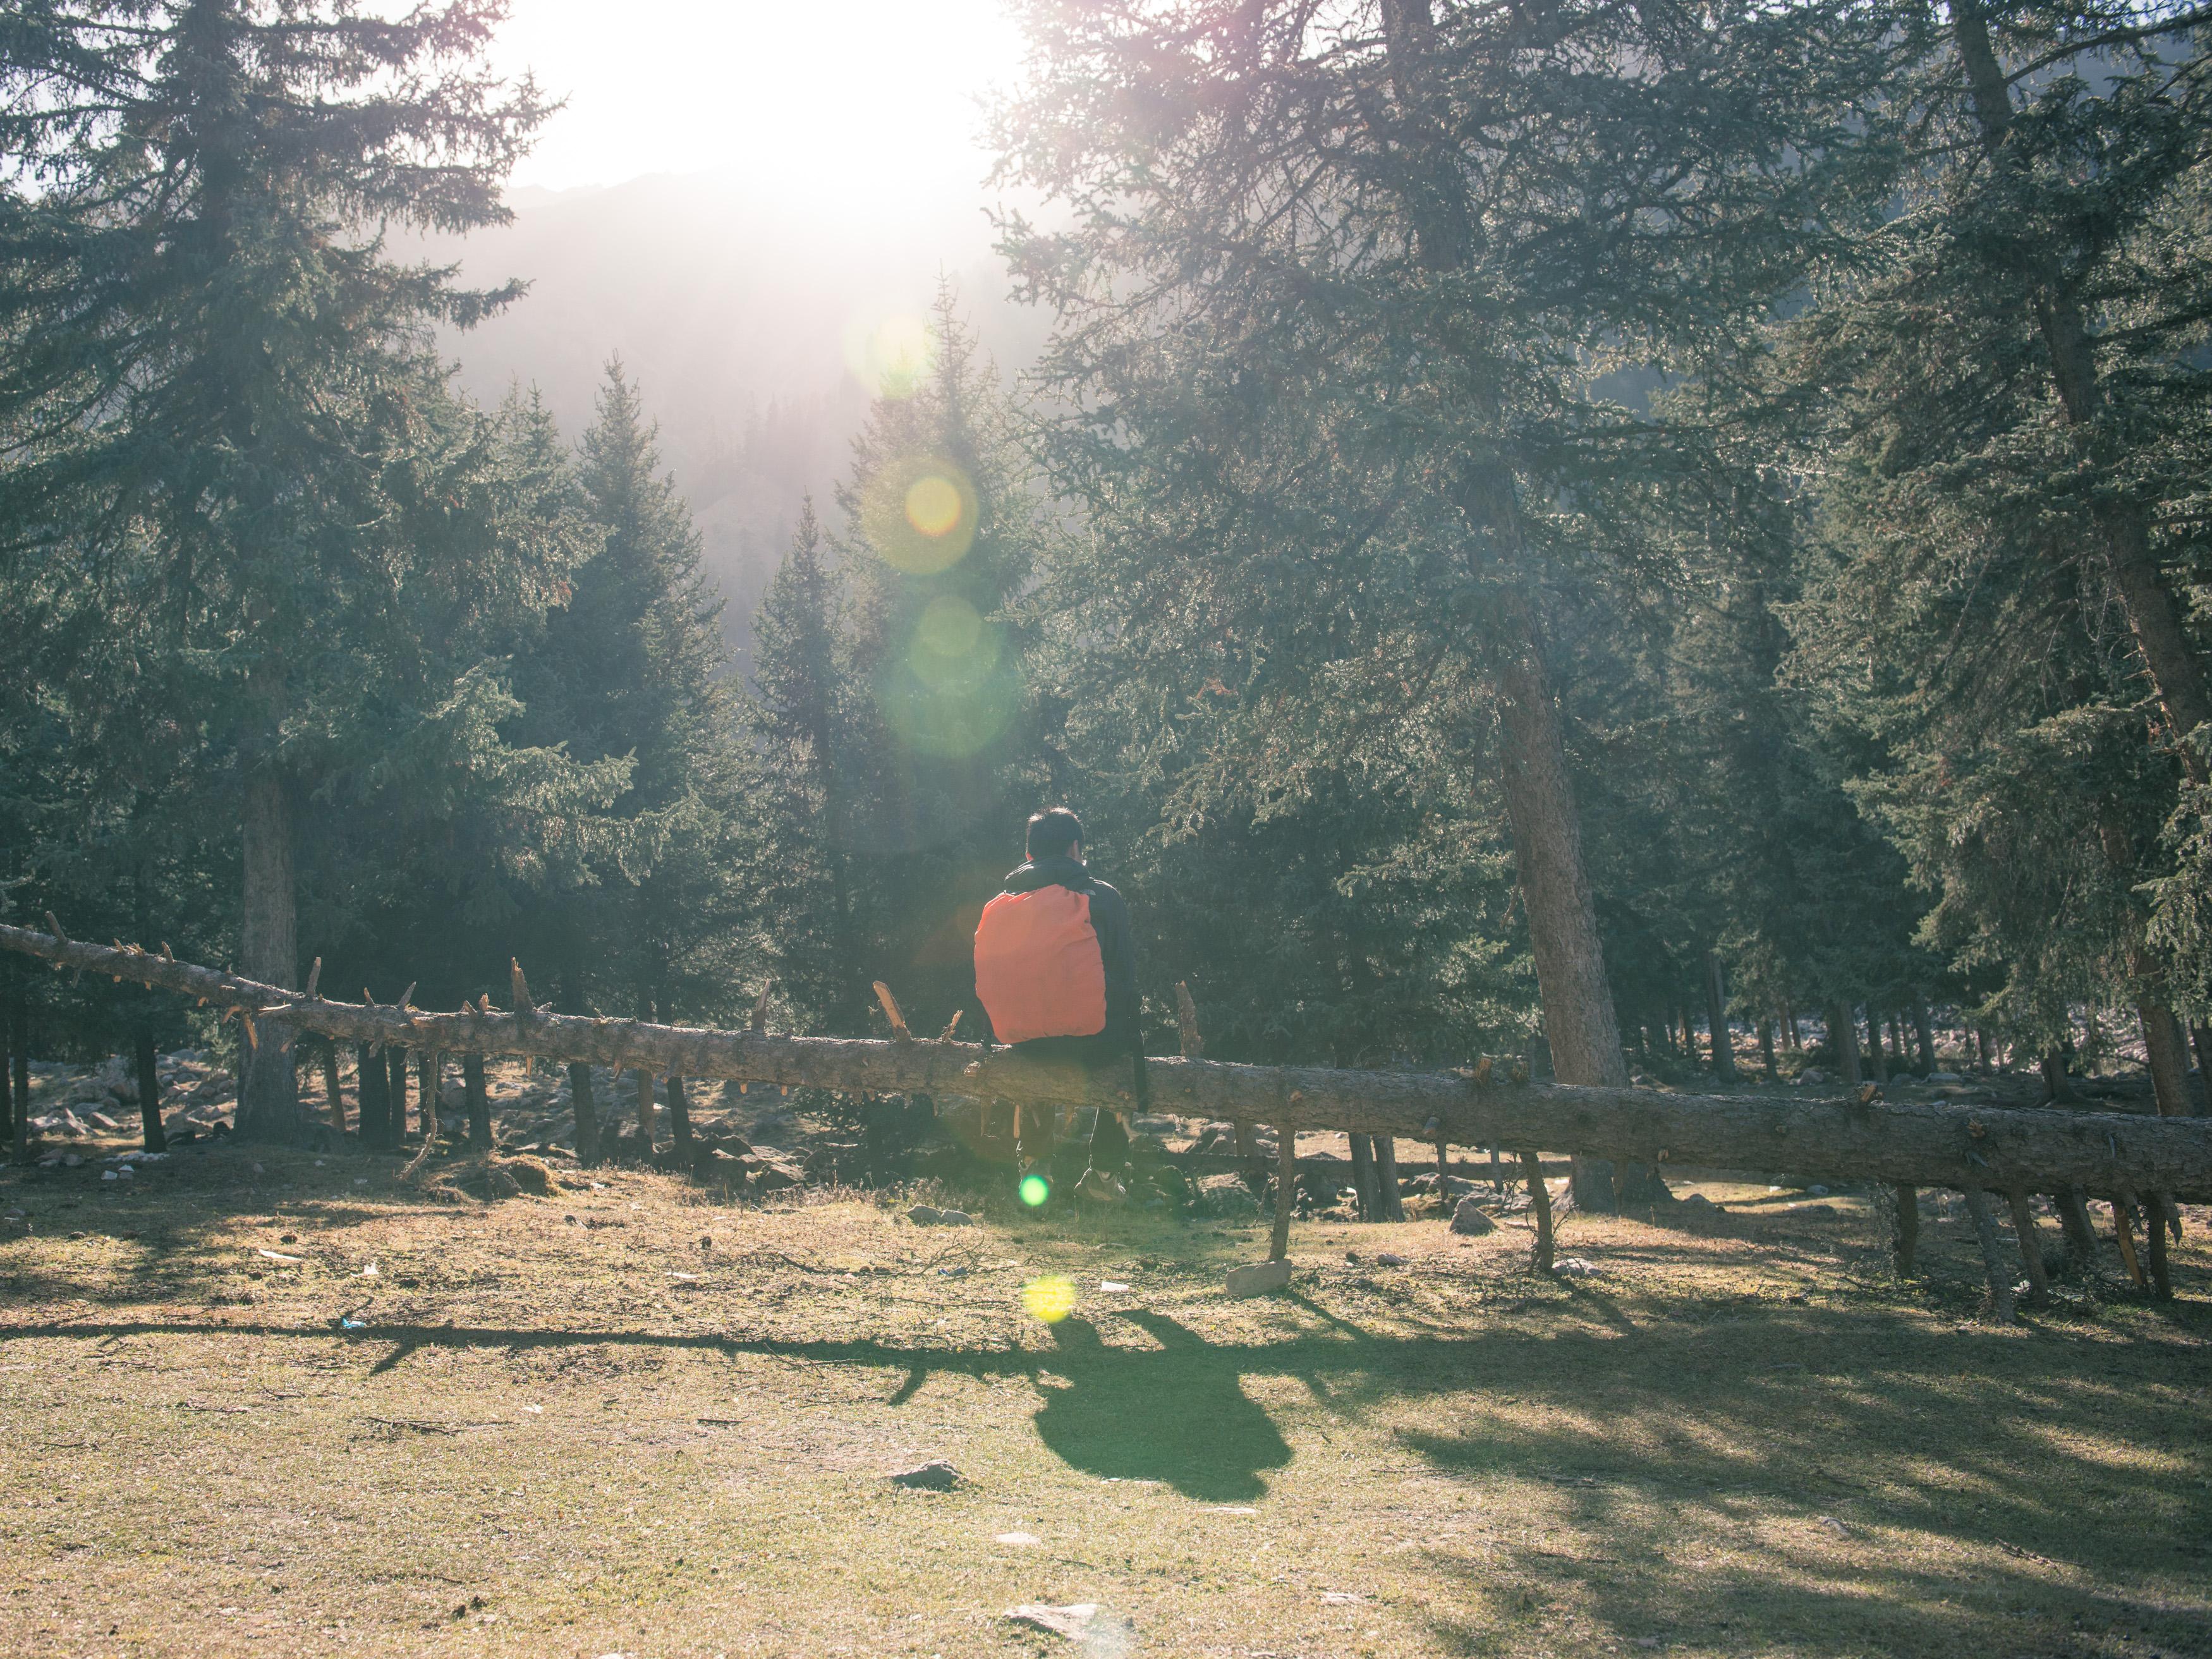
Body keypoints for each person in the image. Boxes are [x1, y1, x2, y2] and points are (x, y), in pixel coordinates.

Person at [973, 807, 1148, 1203]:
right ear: (1075, 850)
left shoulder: (1000, 904)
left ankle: (1035, 1171)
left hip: (1022, 1045)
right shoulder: (1101, 898)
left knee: (1039, 1030)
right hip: (1096, 1046)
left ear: (1029, 855)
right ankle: (1103, 1176)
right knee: (1125, 1051)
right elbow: (1124, 978)